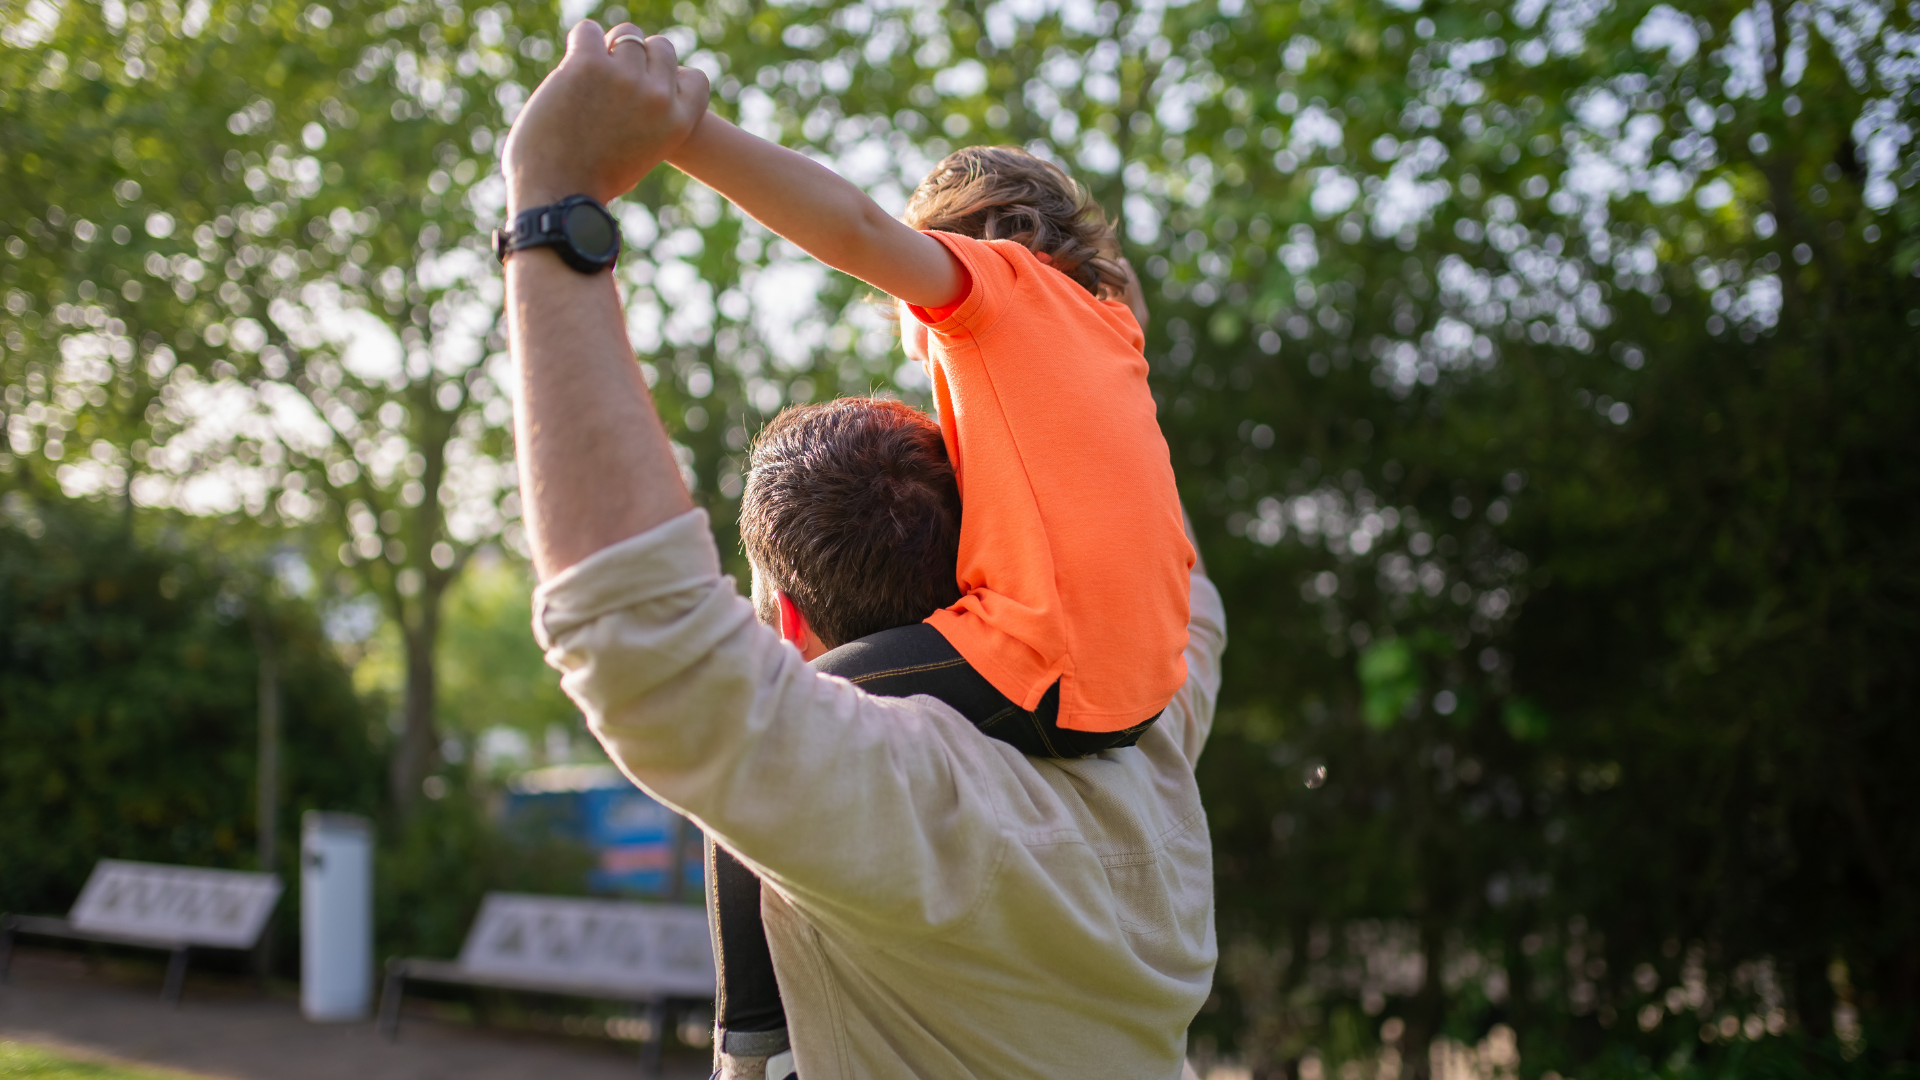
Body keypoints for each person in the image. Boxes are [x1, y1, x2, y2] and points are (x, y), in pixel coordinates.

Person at [500, 21, 1226, 1080]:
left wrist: (666, 140)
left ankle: (753, 1042)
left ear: (783, 614)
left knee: (742, 772)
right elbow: (1151, 521)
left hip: (1031, 667)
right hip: (1120, 686)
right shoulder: (1166, 713)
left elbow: (844, 221)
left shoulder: (991, 291)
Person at [668, 99, 1194, 747]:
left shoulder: (996, 282)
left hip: (1046, 666)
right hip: (1146, 686)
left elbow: (856, 229)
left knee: (768, 721)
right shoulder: (1111, 328)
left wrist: (682, 131)